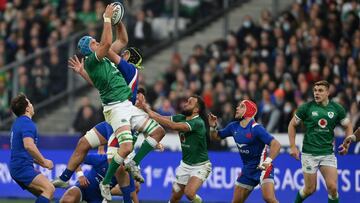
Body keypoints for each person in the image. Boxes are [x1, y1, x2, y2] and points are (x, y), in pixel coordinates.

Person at [288, 80, 353, 203]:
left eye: (320, 91)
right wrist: (292, 146)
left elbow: (348, 125)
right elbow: (292, 125)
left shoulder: (336, 109)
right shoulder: (306, 108)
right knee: (309, 189)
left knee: (333, 188)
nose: (316, 93)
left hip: (327, 153)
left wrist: (347, 143)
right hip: (309, 154)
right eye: (315, 91)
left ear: (328, 92)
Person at [139, 95, 211, 203]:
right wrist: (146, 108)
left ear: (196, 109)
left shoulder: (198, 123)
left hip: (200, 166)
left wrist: (152, 115)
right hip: (185, 166)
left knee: (189, 193)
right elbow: (162, 117)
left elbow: (173, 126)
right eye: (187, 101)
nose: (185, 104)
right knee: (175, 197)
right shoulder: (181, 117)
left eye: (189, 103)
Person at [208, 100, 281, 203]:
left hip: (263, 167)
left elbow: (276, 145)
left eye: (241, 106)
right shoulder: (233, 126)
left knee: (269, 198)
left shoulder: (256, 128)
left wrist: (268, 161)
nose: (237, 108)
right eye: (238, 106)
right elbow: (216, 137)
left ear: (249, 111)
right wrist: (212, 127)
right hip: (248, 169)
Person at [9, 93, 55, 203]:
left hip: (17, 167)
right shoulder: (27, 123)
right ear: (27, 109)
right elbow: (29, 146)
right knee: (49, 189)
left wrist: (42, 163)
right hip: (22, 167)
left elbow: (24, 151)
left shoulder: (17, 123)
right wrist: (44, 161)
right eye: (29, 102)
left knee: (45, 195)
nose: (31, 104)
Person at [59, 153, 138, 203]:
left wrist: (112, 192)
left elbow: (133, 194)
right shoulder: (102, 159)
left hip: (98, 198)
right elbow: (77, 157)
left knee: (136, 185)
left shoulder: (126, 174)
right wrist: (80, 175)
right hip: (84, 188)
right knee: (68, 198)